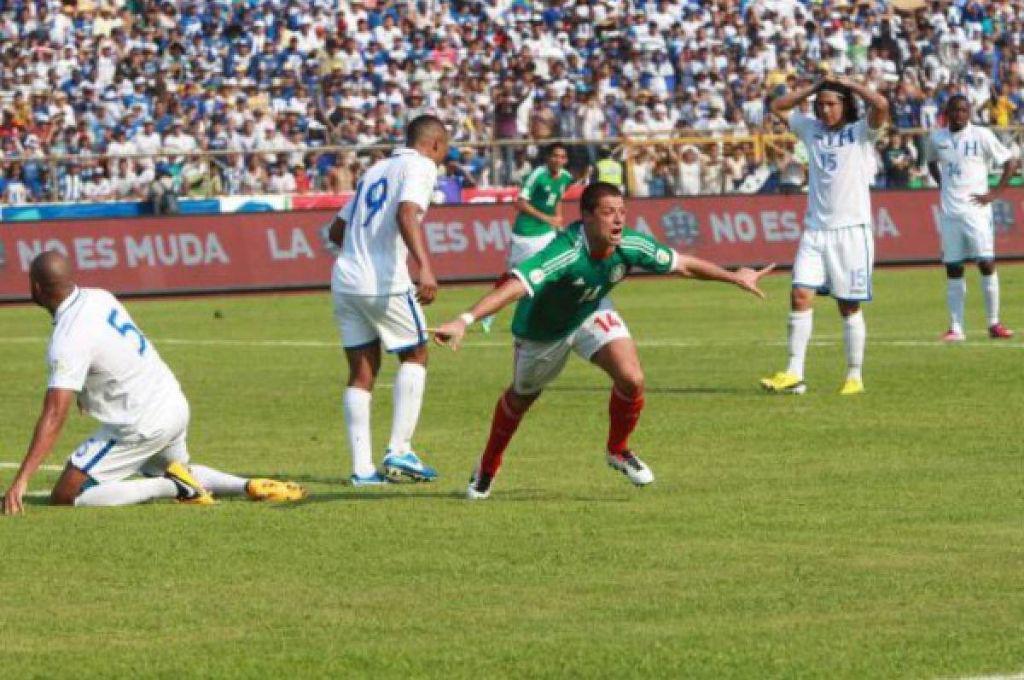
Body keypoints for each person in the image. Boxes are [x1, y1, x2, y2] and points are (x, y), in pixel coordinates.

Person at [432, 182, 773, 500]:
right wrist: (465, 320)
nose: (618, 219)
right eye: (609, 212)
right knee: (520, 400)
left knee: (632, 377)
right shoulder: (565, 251)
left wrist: (734, 277)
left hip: (590, 311)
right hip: (543, 333)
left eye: (622, 212)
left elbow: (682, 264)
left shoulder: (629, 244)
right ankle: (488, 466)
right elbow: (517, 285)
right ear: (587, 216)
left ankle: (618, 450)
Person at [2, 252, 305, 516]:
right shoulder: (99, 296)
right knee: (182, 469)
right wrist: (84, 391)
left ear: (36, 288)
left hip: (139, 422)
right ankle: (247, 485)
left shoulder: (68, 337)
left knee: (67, 495)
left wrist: (22, 479)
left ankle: (170, 487)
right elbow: (113, 349)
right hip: (171, 402)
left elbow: (55, 414)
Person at [326, 114, 448, 486]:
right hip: (383, 280)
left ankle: (362, 470)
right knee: (415, 354)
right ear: (435, 145)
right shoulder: (423, 166)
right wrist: (424, 267)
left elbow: (336, 229)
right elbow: (405, 212)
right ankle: (400, 450)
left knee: (362, 372)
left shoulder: (377, 169)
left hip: (346, 279)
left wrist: (355, 253)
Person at [760, 76, 889, 396]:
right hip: (815, 229)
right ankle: (794, 373)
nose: (824, 110)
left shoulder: (860, 132)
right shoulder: (810, 129)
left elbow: (882, 104)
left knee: (848, 305)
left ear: (846, 106)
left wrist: (847, 83)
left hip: (851, 231)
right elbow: (776, 106)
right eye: (820, 105)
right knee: (800, 294)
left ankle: (854, 375)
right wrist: (817, 86)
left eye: (831, 104)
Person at [925, 95, 1019, 341]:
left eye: (964, 110)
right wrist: (943, 185)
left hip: (976, 212)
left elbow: (1011, 162)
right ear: (948, 112)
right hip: (950, 213)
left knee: (986, 263)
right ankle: (956, 328)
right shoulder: (937, 138)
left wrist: (994, 193)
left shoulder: (981, 135)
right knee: (953, 268)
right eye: (955, 110)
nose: (960, 114)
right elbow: (931, 162)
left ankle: (994, 323)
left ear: (969, 113)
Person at [480, 143, 573, 333]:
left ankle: (548, 316)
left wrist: (558, 220)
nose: (559, 160)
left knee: (550, 271)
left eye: (562, 157)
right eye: (555, 156)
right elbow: (520, 202)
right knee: (513, 277)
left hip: (547, 233)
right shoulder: (538, 175)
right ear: (548, 158)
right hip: (526, 234)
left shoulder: (566, 177)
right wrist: (547, 218)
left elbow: (557, 200)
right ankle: (490, 311)